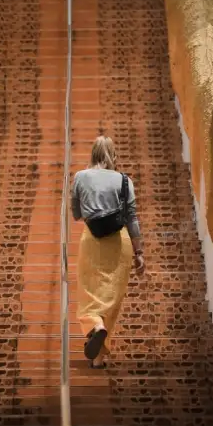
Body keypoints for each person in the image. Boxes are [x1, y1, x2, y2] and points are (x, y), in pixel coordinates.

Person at [71, 136, 144, 368]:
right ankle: (99, 359)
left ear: (92, 153)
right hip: (119, 243)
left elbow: (76, 214)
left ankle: (95, 325)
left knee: (89, 292)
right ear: (113, 155)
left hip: (92, 240)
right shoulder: (124, 180)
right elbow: (132, 218)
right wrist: (139, 252)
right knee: (111, 300)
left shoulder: (80, 177)